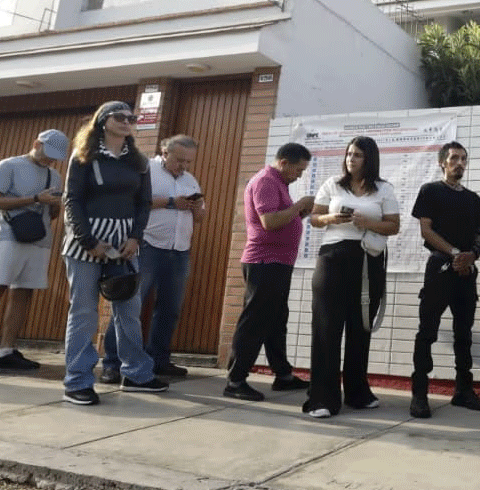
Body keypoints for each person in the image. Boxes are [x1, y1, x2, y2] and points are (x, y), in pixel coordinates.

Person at [59, 102, 166, 406]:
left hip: (125, 247)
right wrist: (87, 240)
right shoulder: (83, 158)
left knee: (128, 311)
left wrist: (135, 238)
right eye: (120, 117)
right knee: (83, 312)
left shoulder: (139, 162)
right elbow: (73, 201)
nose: (127, 122)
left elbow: (143, 204)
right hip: (86, 244)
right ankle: (77, 380)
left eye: (132, 118)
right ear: (103, 121)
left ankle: (136, 374)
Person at [301, 137, 399, 417]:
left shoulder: (383, 189)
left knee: (360, 328)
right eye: (348, 154)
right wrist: (332, 219)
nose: (350, 159)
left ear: (369, 159)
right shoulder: (333, 184)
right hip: (332, 258)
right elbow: (315, 218)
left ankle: (357, 392)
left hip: (368, 261)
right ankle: (322, 398)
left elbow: (394, 226)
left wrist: (367, 222)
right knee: (326, 328)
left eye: (357, 155)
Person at [100, 135, 204, 383]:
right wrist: (171, 202)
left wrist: (196, 207)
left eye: (188, 161)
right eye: (179, 160)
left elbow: (199, 217)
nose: (184, 166)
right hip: (147, 247)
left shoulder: (190, 179)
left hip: (179, 250)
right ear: (164, 151)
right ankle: (113, 363)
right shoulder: (145, 170)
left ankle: (159, 359)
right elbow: (131, 203)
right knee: (128, 307)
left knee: (169, 309)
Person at [0, 129, 70, 376]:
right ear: (36, 144)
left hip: (39, 239)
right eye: (48, 154)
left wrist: (54, 205)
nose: (50, 161)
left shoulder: (54, 175)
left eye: (55, 157)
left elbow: (52, 213)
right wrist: (34, 197)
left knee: (23, 293)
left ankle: (7, 351)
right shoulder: (8, 165)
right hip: (7, 238)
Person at [225, 143, 315, 402]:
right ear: (284, 162)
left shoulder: (279, 183)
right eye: (298, 170)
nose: (299, 175)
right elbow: (270, 221)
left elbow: (282, 218)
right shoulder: (266, 181)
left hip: (279, 262)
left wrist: (300, 213)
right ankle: (235, 378)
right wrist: (299, 206)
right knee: (255, 320)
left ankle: (283, 375)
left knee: (276, 319)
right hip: (264, 261)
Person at [409, 141, 480, 419]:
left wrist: (472, 256)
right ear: (443, 162)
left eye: (463, 159)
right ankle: (420, 394)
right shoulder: (430, 191)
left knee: (463, 334)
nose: (459, 163)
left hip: (466, 273)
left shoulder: (473, 199)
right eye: (454, 158)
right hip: (439, 270)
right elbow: (426, 231)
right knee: (427, 332)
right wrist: (456, 253)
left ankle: (463, 391)